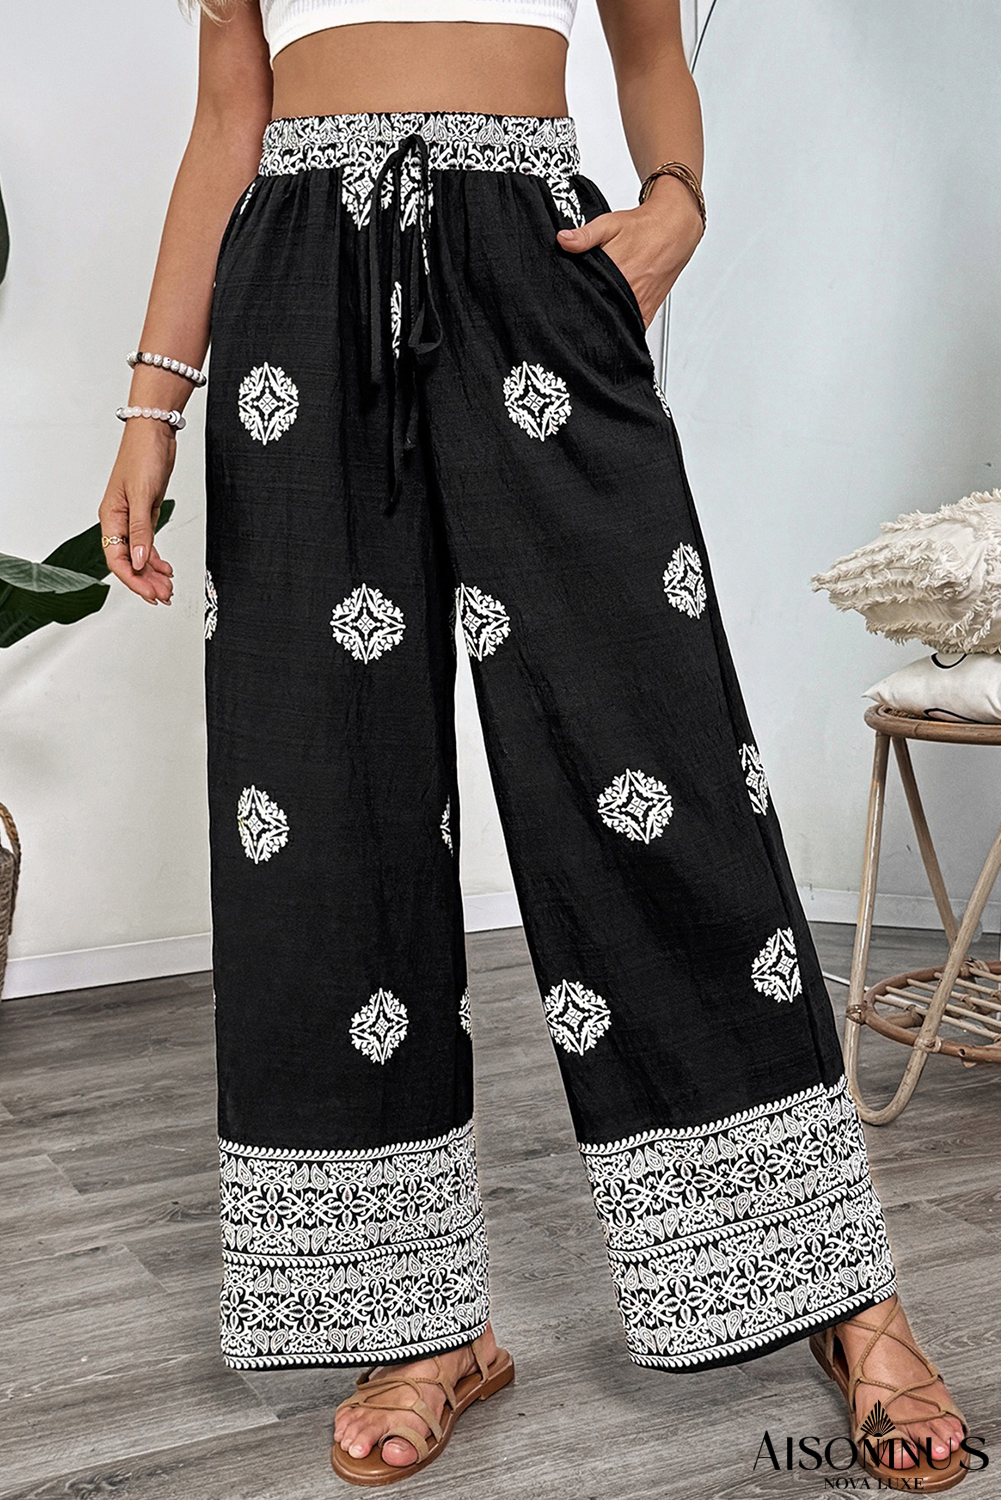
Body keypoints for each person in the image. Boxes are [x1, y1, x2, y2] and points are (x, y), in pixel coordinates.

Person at [97, 0, 970, 1488]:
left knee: (655, 762)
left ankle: (837, 1288)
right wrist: (149, 407)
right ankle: (413, 1322)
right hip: (296, 290)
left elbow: (648, 51)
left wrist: (678, 201)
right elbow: (227, 114)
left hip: (532, 261)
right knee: (320, 797)